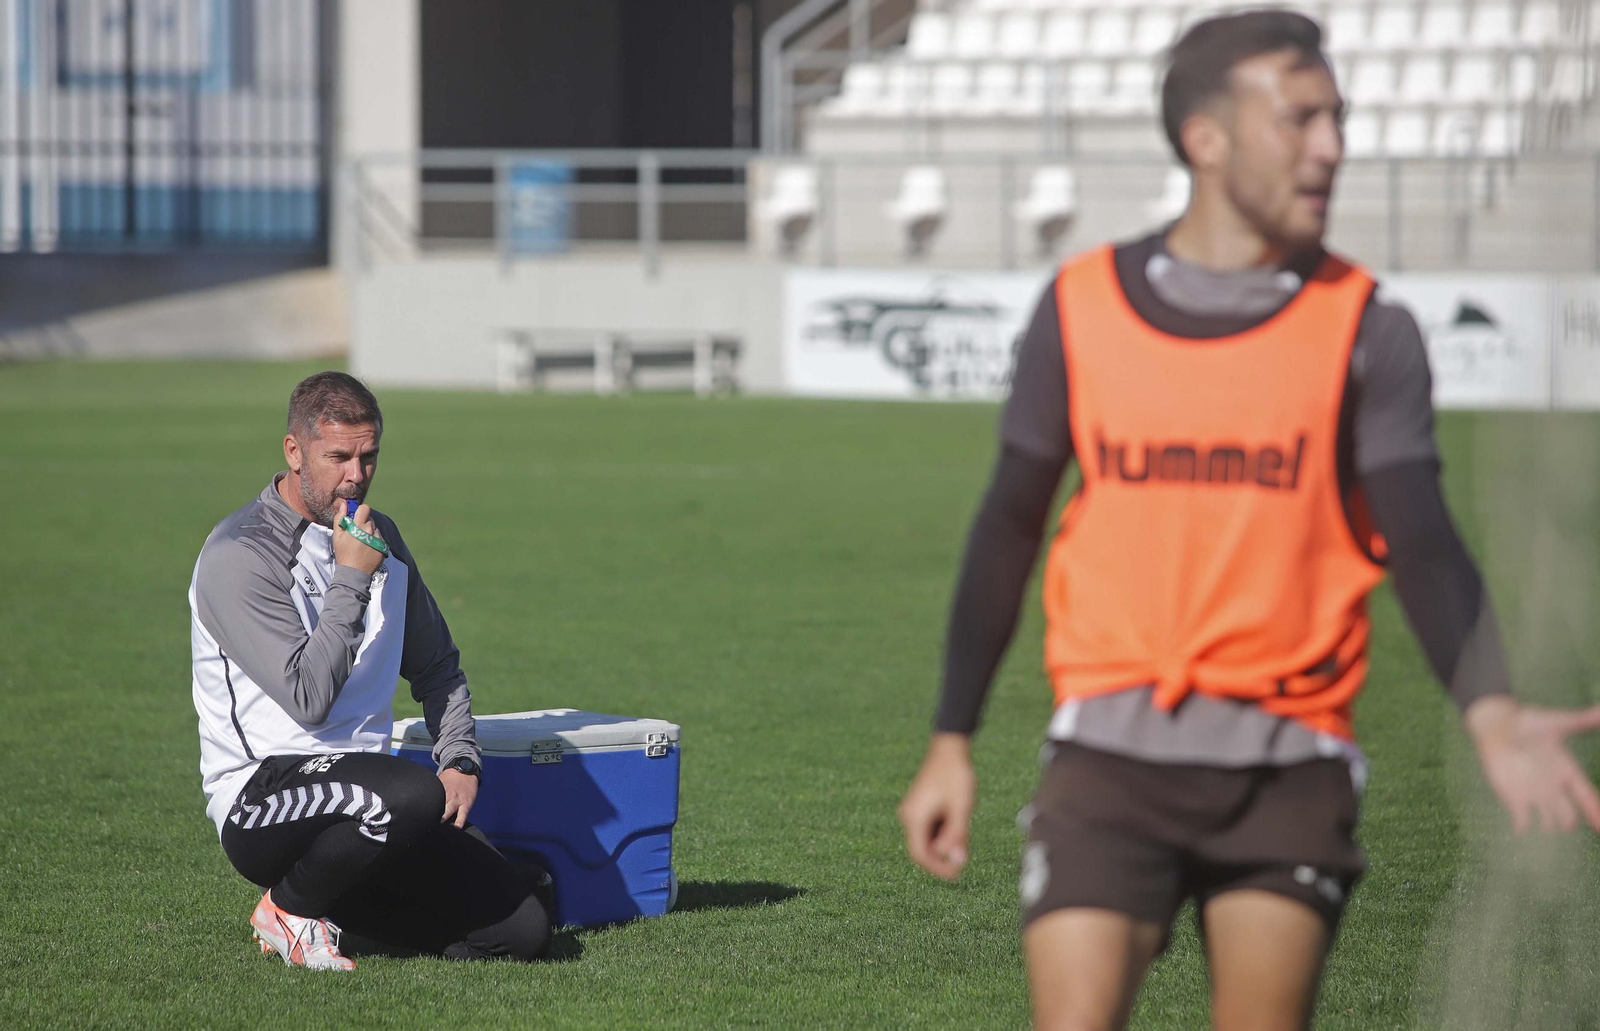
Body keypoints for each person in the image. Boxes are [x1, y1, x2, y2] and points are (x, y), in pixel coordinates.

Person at [897, 10, 1600, 1030]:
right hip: (1107, 759)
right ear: (1206, 139)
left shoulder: (1369, 327)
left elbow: (1424, 535)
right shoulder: (1080, 304)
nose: (1331, 147)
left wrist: (1490, 711)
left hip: (1288, 766)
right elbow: (1009, 521)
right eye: (1300, 119)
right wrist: (950, 734)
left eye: (1337, 119)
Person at [190, 371, 550, 969]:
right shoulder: (240, 555)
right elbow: (310, 698)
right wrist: (351, 577)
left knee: (523, 931)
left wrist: (459, 758)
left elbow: (437, 666)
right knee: (409, 789)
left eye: (369, 456)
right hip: (262, 797)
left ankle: (333, 902)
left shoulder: (384, 540)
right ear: (293, 451)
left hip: (372, 803)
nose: (356, 475)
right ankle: (287, 908)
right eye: (338, 457)